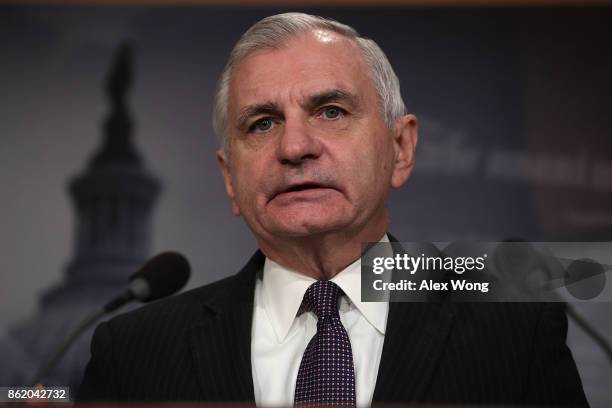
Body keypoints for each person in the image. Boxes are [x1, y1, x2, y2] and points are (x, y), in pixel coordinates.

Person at [78, 12, 588, 407]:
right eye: (261, 123)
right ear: (230, 178)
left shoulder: (514, 325)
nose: (295, 146)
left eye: (331, 111)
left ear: (401, 149)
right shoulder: (134, 352)